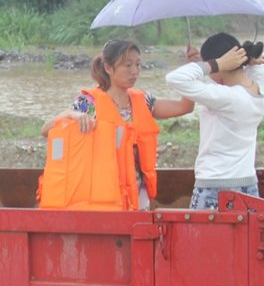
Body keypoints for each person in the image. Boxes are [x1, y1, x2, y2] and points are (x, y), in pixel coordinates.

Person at [38, 39, 193, 210]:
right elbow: (46, 130)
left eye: (138, 65)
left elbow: (184, 107)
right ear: (108, 68)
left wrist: (192, 69)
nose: (134, 71)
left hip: (137, 194)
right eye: (127, 65)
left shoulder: (144, 101)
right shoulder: (89, 103)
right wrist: (71, 114)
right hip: (105, 196)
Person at [165, 33, 264, 210]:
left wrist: (212, 64)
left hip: (214, 189)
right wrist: (206, 63)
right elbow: (259, 69)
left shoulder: (226, 97)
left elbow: (174, 79)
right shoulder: (261, 91)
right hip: (249, 188)